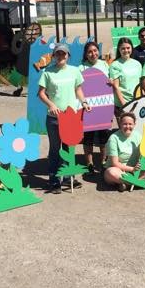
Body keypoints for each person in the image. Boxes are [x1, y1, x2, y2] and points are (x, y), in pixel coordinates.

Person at [37, 42, 89, 193]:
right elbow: (41, 93)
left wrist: (84, 102)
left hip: (71, 117)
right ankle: (54, 180)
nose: (60, 56)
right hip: (53, 118)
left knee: (69, 148)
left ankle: (67, 177)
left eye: (63, 53)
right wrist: (51, 105)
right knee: (55, 149)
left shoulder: (74, 71)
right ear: (53, 56)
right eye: (58, 53)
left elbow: (78, 89)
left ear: (68, 56)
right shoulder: (47, 72)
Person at [78, 41, 110, 173]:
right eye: (90, 52)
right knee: (88, 137)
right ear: (86, 54)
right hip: (88, 108)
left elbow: (110, 83)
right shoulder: (80, 68)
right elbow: (77, 88)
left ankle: (103, 162)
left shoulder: (105, 65)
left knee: (104, 138)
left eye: (95, 50)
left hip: (104, 107)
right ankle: (89, 163)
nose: (93, 54)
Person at [103, 111, 145, 192]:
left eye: (130, 124)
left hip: (135, 170)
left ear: (134, 124)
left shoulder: (138, 135)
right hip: (119, 170)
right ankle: (140, 183)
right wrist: (132, 169)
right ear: (120, 124)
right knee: (111, 172)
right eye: (125, 124)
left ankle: (126, 184)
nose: (127, 126)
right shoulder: (113, 138)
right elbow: (115, 163)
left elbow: (143, 154)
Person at [110, 37, 143, 109]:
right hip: (122, 104)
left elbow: (140, 83)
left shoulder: (137, 64)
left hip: (137, 101)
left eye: (128, 48)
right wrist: (124, 105)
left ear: (132, 48)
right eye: (123, 48)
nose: (126, 50)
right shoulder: (115, 65)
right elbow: (115, 87)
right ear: (119, 49)